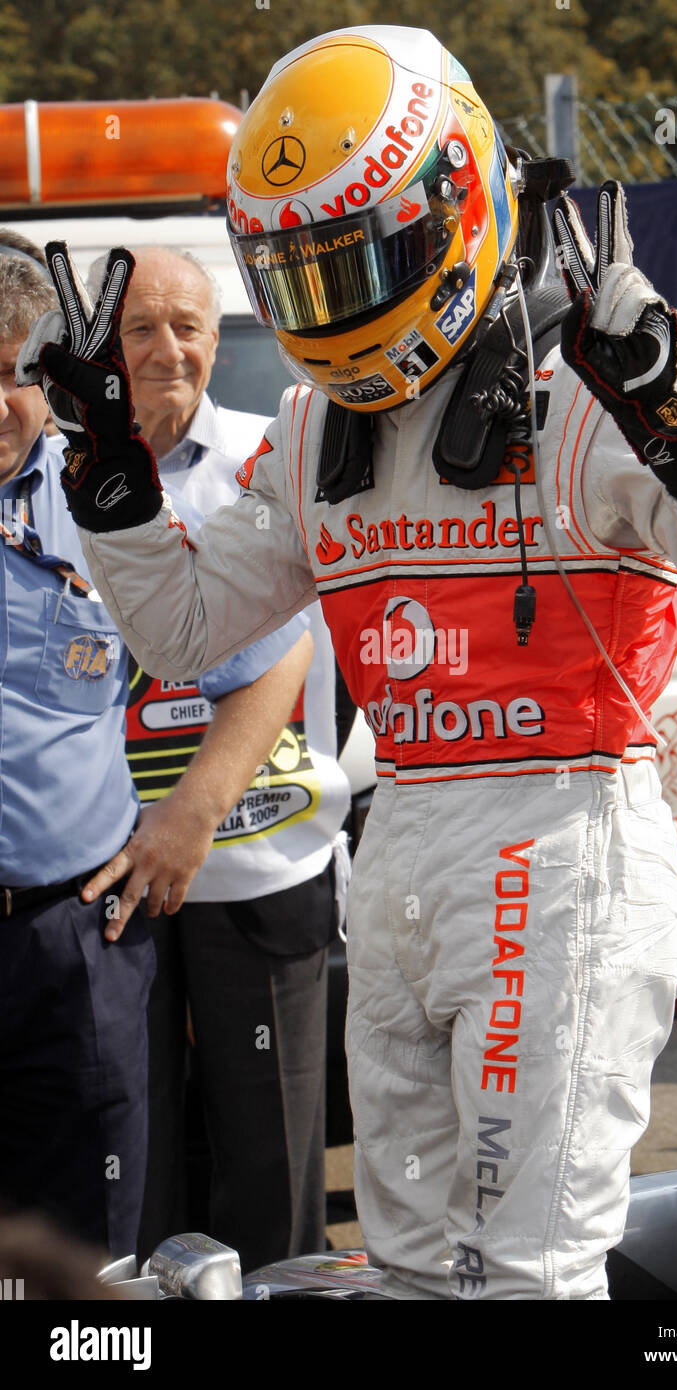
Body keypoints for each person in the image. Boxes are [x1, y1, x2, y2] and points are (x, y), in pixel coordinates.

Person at [20, 25, 677, 1300]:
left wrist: (674, 412)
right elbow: (178, 630)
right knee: (402, 1268)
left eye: (357, 257)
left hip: (561, 846)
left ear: (450, 202)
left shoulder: (591, 390)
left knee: (525, 1272)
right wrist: (110, 472)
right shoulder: (308, 432)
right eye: (298, 272)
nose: (332, 302)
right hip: (400, 840)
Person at [0, 237, 311, 1261]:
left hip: (80, 936)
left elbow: (265, 658)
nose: (1, 401)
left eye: (17, 371)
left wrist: (188, 814)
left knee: (98, 1246)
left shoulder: (107, 500)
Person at [84, 246, 352, 1270]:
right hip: (106, 881)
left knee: (274, 1173)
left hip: (263, 864)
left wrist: (194, 812)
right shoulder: (64, 474)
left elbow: (299, 650)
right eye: (140, 327)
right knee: (131, 1167)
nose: (168, 350)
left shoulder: (271, 459)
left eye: (189, 327)